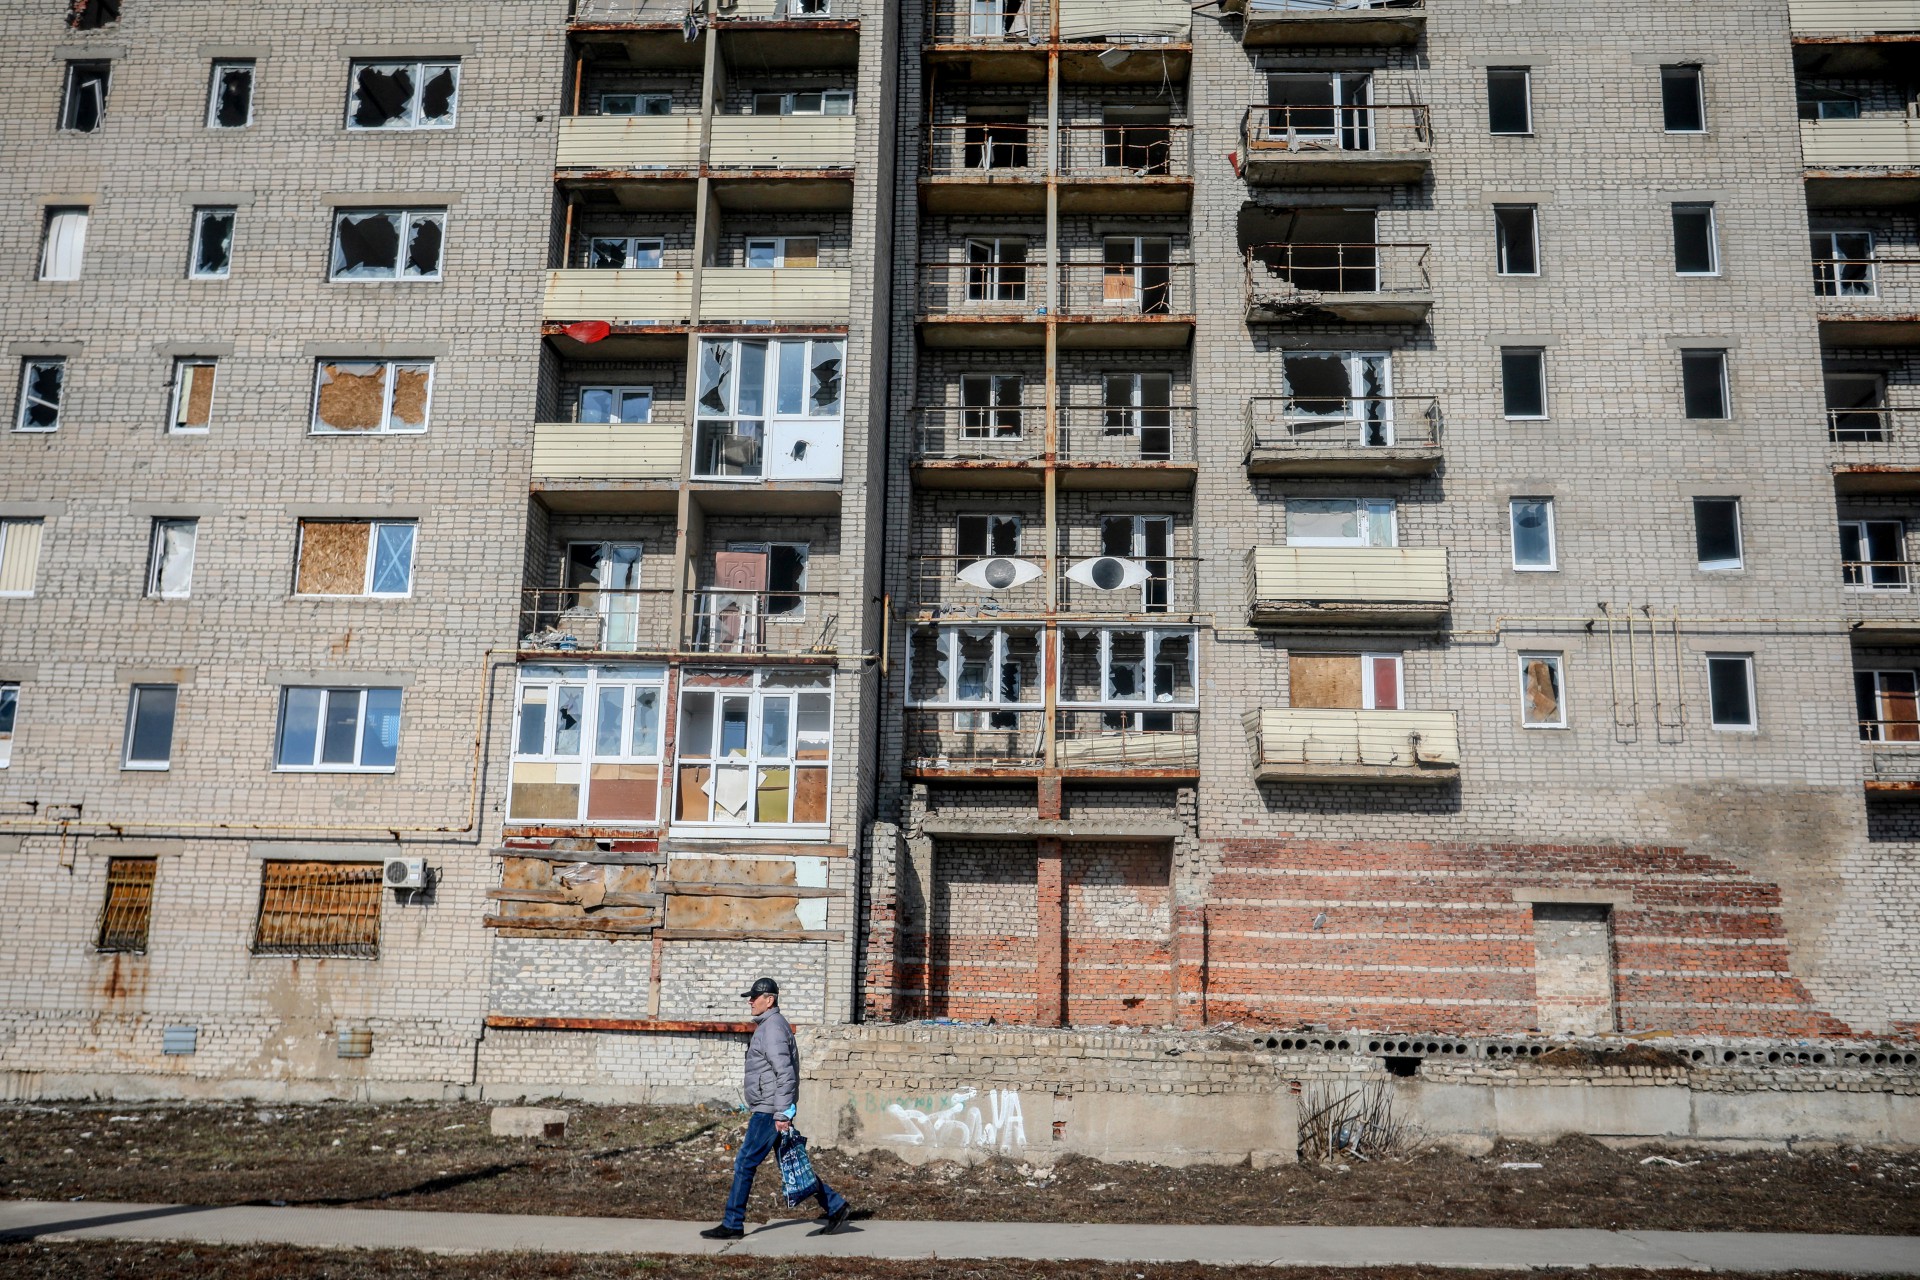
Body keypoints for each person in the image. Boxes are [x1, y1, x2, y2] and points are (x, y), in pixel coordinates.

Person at [700, 977, 853, 1239]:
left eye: (754, 997)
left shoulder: (772, 1028)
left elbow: (785, 1074)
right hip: (771, 1107)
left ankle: (733, 1223)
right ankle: (836, 1206)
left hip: (769, 1110)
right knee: (791, 1163)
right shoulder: (771, 1026)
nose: (750, 1001)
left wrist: (782, 1113)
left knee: (745, 1163)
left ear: (769, 1000)